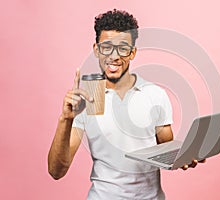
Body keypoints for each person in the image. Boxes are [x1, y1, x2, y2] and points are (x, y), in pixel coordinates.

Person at [48, 9, 205, 199]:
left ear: (132, 53)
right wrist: (65, 119)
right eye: (106, 47)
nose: (114, 56)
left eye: (122, 48)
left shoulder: (154, 94)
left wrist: (187, 156)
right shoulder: (86, 100)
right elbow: (57, 171)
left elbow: (166, 150)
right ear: (96, 50)